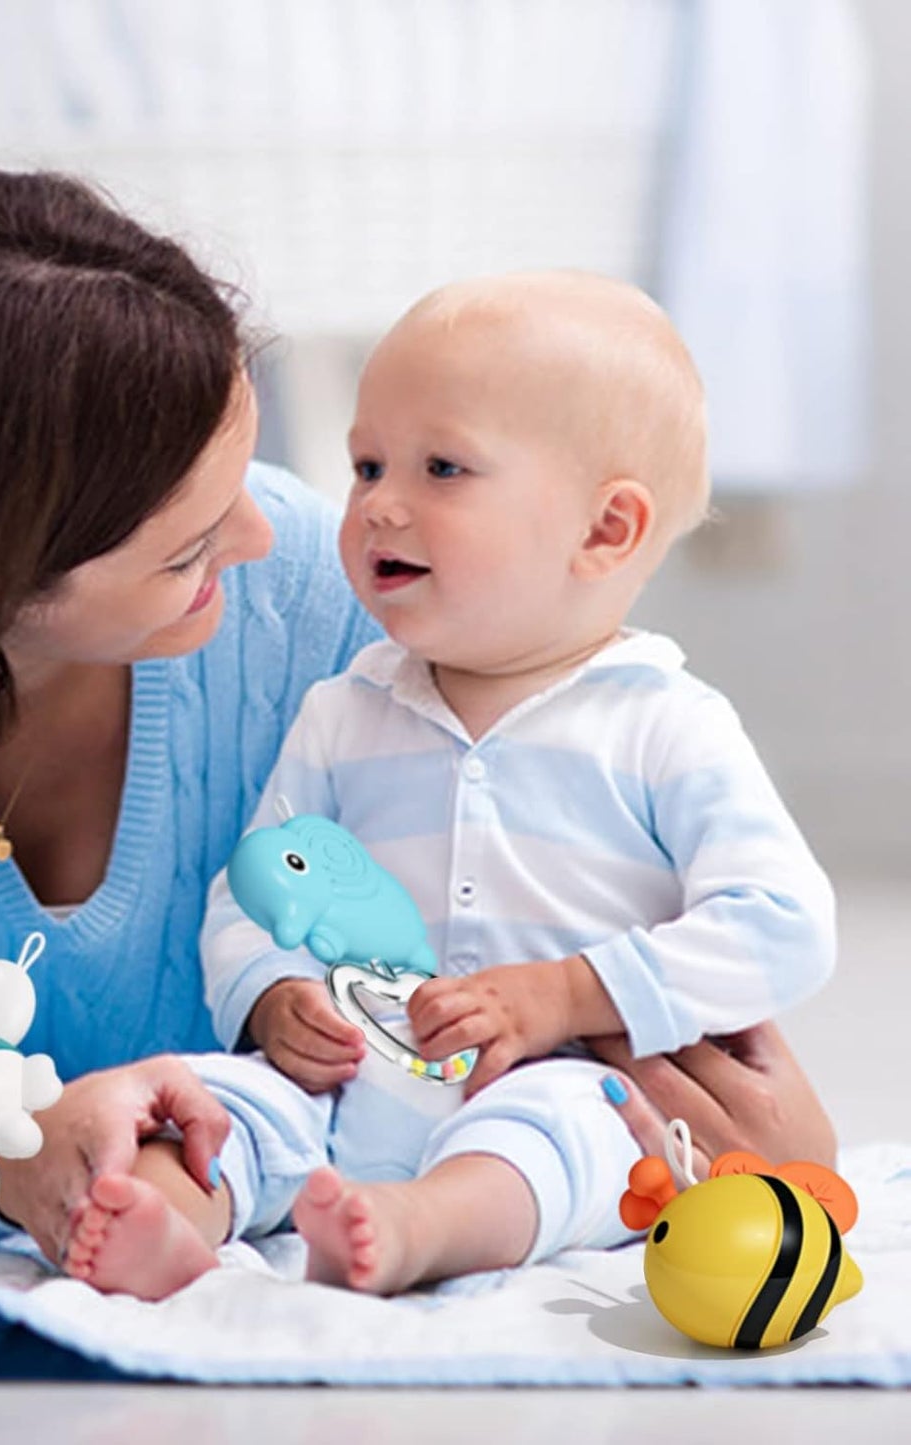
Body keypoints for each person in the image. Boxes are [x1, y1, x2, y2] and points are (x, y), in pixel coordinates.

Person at [0, 70, 835, 1261]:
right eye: (185, 546)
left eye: (248, 475)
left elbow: (533, 895)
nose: (270, 533)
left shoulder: (303, 575)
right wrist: (4, 1147)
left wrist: (724, 1084)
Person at [59, 273, 835, 1300]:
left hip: (550, 1075)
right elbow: (256, 886)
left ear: (604, 530)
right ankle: (165, 1218)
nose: (378, 501)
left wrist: (567, 992)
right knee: (220, 1103)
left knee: (573, 1134)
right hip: (347, 1076)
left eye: (440, 467)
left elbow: (780, 921)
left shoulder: (662, 725)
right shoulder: (342, 711)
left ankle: (417, 1226)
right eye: (366, 462)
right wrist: (271, 994)